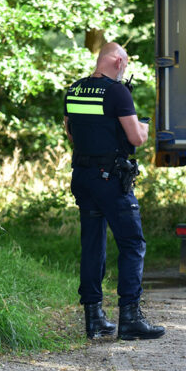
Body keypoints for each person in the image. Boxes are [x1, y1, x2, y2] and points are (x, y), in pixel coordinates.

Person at [64, 42, 165, 341]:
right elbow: (136, 137)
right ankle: (130, 319)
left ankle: (94, 319)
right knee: (132, 244)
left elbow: (70, 132)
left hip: (82, 176)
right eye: (127, 64)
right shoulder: (117, 92)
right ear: (118, 61)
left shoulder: (74, 90)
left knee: (92, 245)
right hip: (110, 179)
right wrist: (143, 129)